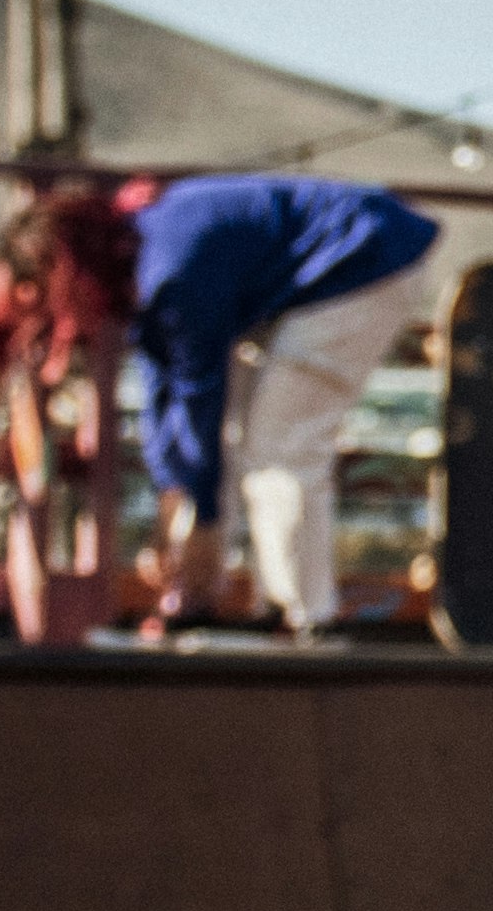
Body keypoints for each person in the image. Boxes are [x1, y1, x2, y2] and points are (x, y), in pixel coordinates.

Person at [124, 173, 444, 636]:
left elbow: (199, 394)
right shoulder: (149, 260)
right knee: (243, 439)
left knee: (282, 447)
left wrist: (205, 521)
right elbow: (163, 393)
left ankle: (306, 617)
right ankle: (211, 592)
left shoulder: (169, 271)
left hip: (365, 254)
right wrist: (169, 499)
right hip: (310, 274)